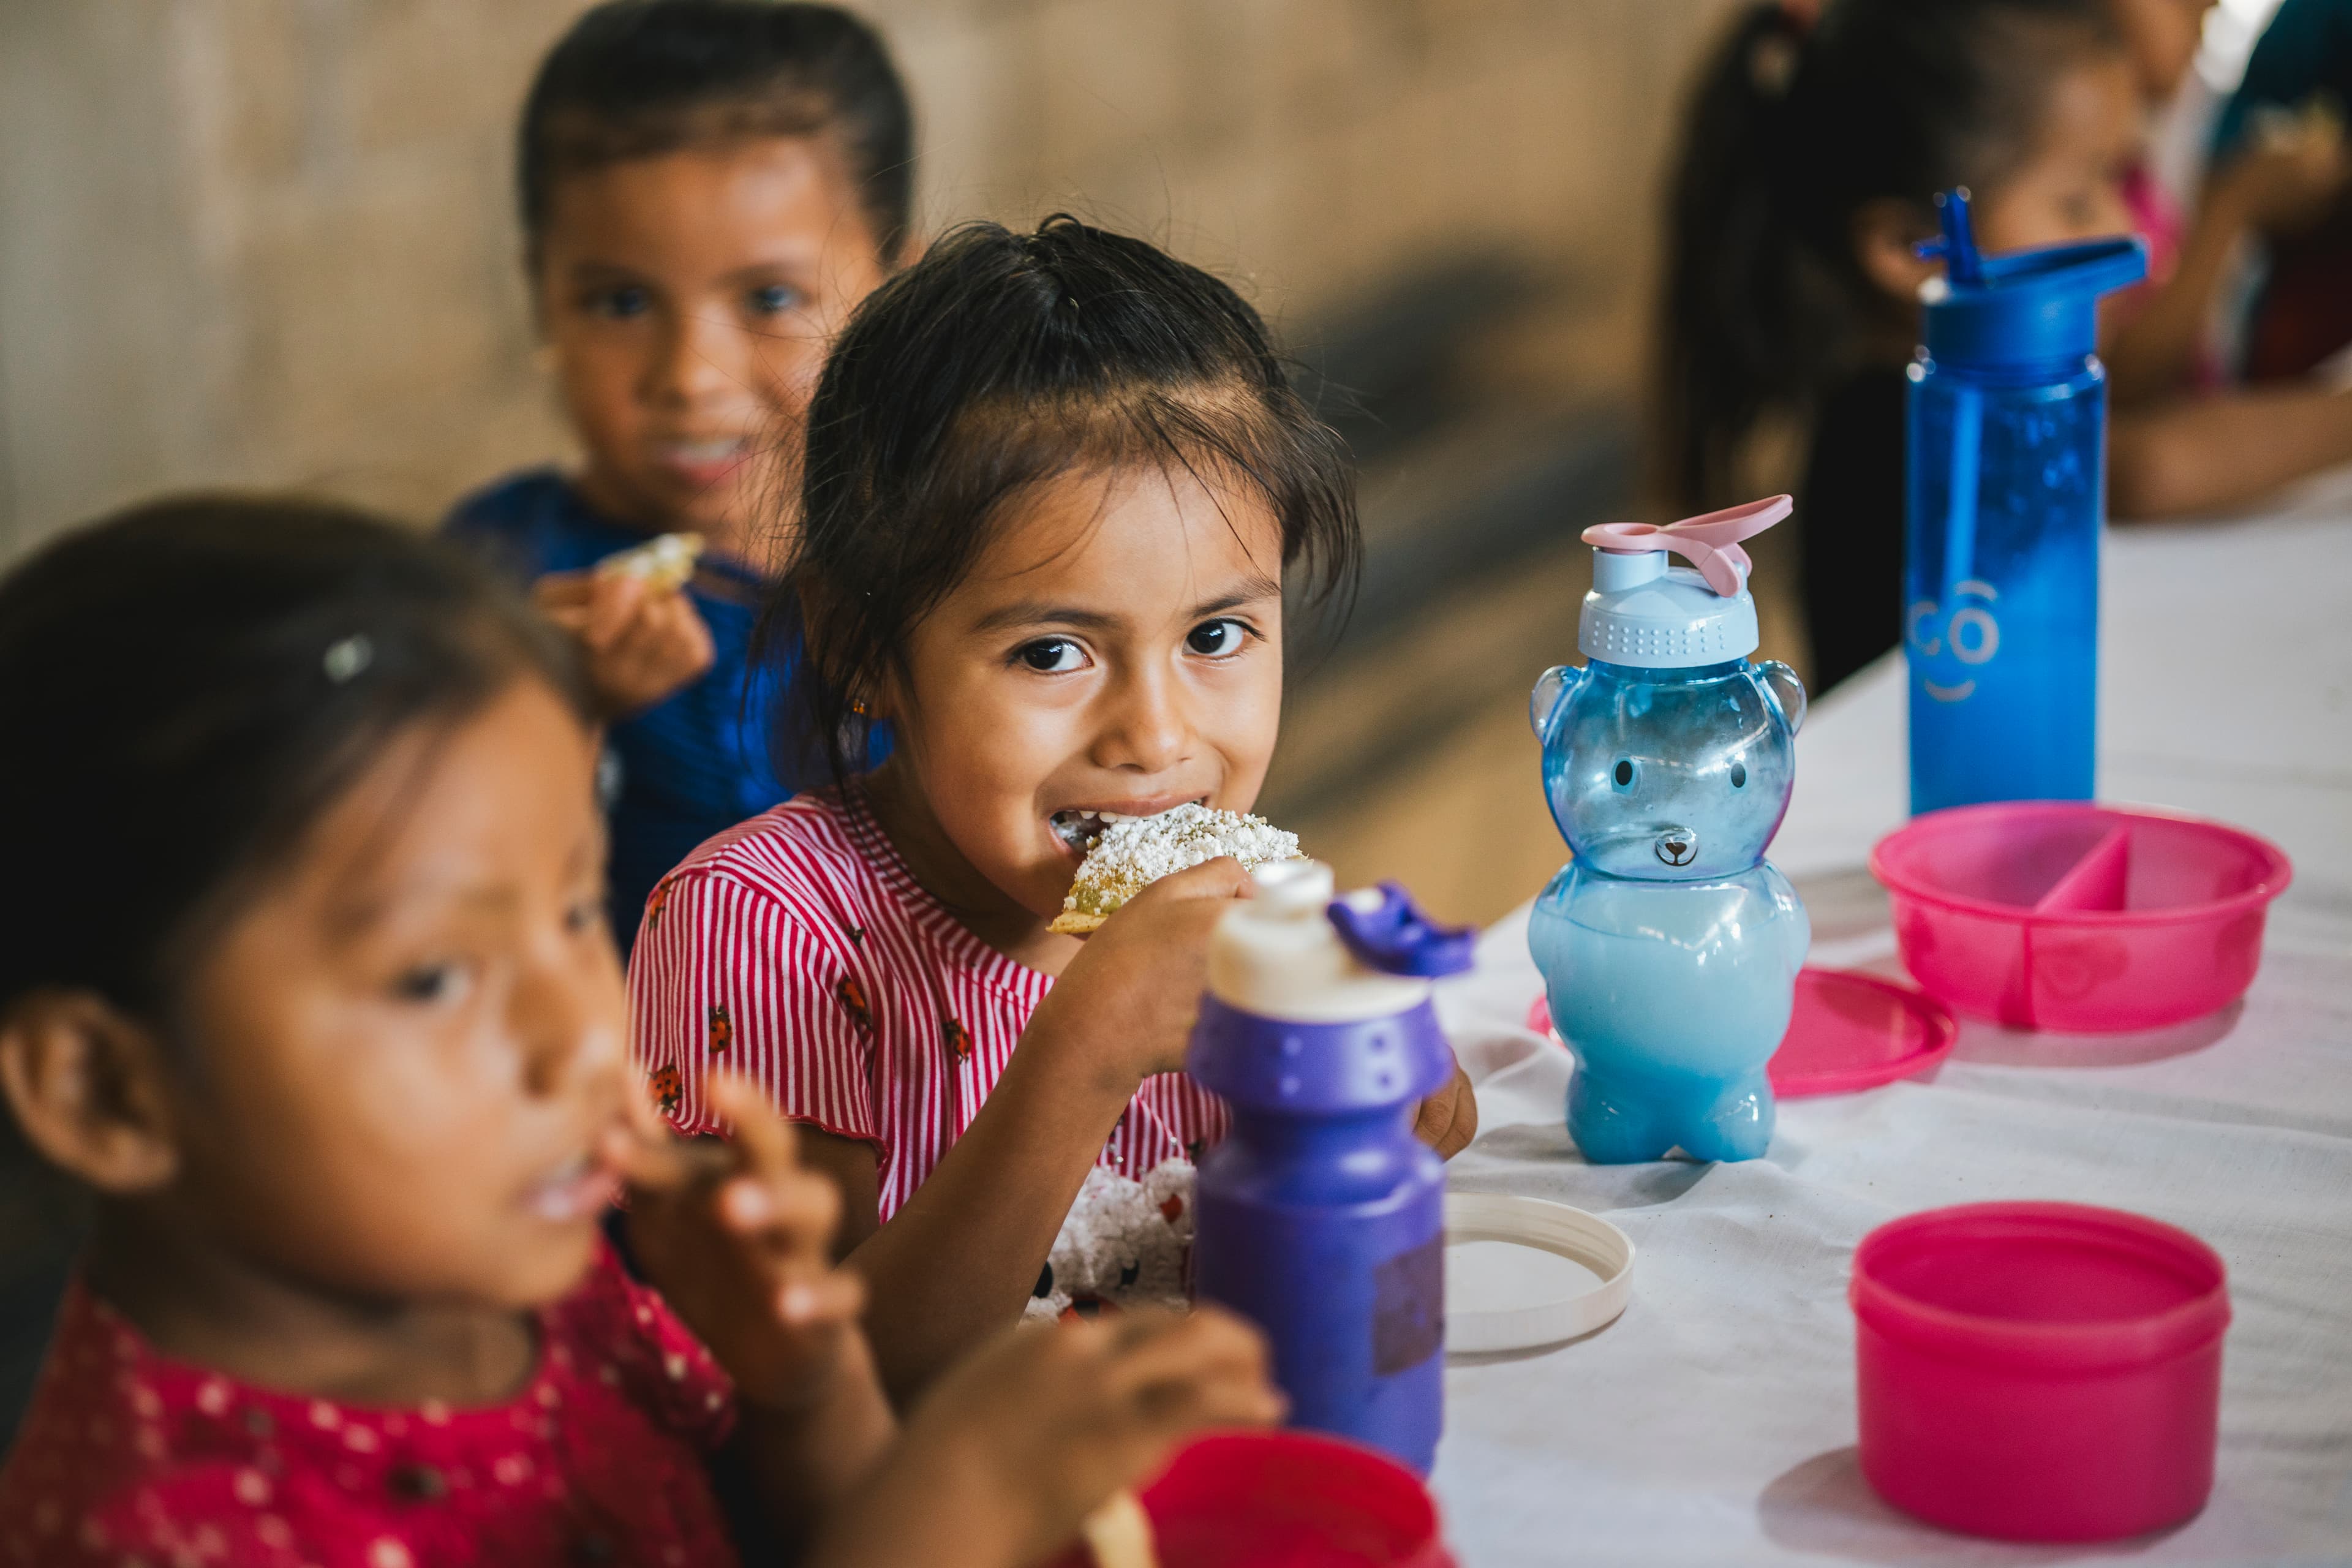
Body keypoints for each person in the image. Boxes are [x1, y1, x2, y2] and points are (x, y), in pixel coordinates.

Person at [0, 498, 1282, 1566]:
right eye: (439, 976)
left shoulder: (532, 1278)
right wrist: (966, 1499)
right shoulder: (172, 1533)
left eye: (571, 911)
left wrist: (801, 1383)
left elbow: (772, 1511)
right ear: (107, 1090)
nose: (579, 1030)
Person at [628, 216, 1483, 1403]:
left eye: (1218, 635)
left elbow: (1375, 1193)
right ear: (861, 648)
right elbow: (808, 1402)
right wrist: (1083, 1050)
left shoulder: (1232, 923)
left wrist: (1389, 1086)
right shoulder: (762, 933)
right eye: (1051, 652)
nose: (1157, 737)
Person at [1659, 0, 2352, 695]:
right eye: (2078, 200)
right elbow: (2143, 471)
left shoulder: (1945, 385)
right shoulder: (1903, 414)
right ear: (1910, 248)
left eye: (2122, 182)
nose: (2125, 233)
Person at [445, 1, 910, 954]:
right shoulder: (498, 584)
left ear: (896, 292)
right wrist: (558, 714)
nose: (690, 379)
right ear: (541, 295)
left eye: (770, 299)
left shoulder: (947, 558)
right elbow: (421, 886)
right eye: (620, 302)